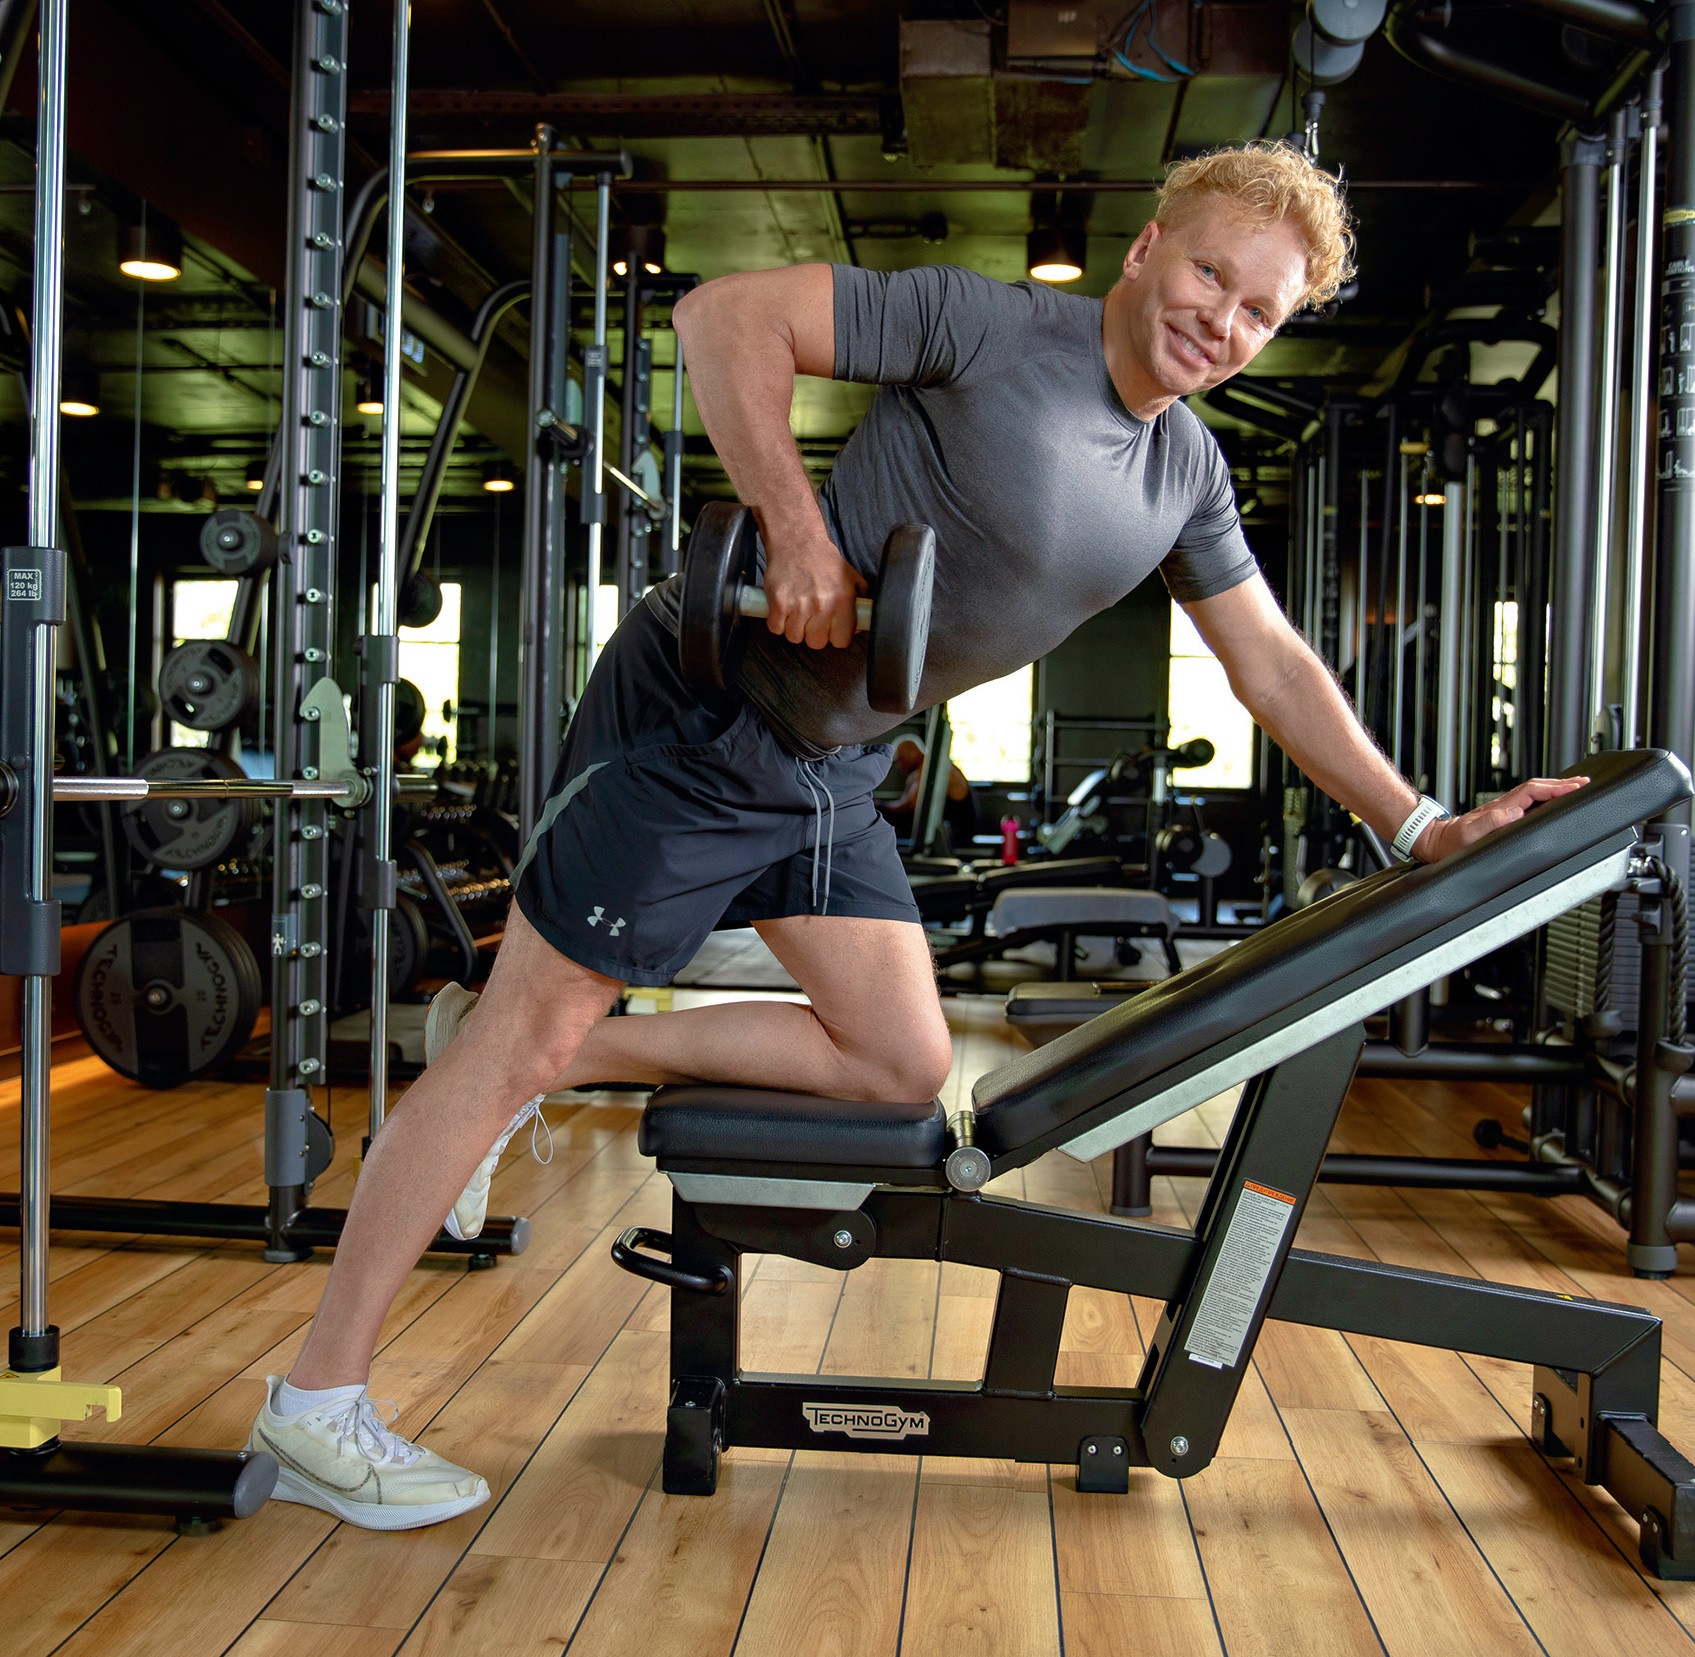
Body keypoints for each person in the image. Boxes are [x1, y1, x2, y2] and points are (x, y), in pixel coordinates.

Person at [247, 142, 1585, 1528]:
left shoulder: (1184, 472)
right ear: (1144, 249)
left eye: (1261, 312)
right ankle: (318, 1401)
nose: (1223, 321)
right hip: (708, 715)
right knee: (517, 1038)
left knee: (896, 1059)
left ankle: (537, 1053)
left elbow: (1270, 665)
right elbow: (724, 317)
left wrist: (1421, 824)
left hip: (830, 766)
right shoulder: (993, 326)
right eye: (1210, 274)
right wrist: (795, 530)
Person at [882, 735, 978, 852]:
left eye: (900, 759)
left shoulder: (930, 769)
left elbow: (910, 805)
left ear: (912, 753)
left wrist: (881, 807)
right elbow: (905, 801)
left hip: (958, 832)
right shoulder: (919, 772)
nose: (898, 765)